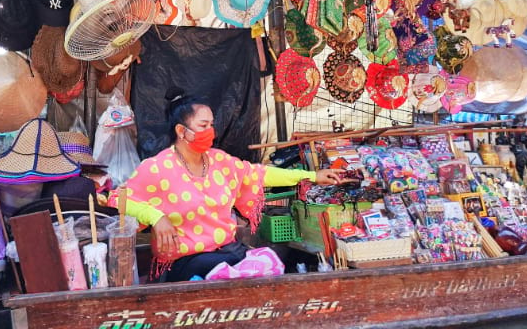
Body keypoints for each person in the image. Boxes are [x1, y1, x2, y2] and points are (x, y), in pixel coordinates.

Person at [108, 87, 349, 282]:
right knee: (225, 272)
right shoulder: (157, 168)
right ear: (182, 131)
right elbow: (117, 199)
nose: (210, 131)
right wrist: (156, 217)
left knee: (273, 264)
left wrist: (310, 176)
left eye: (211, 125)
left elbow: (257, 174)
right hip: (185, 262)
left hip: (227, 251)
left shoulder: (219, 161)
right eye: (203, 126)